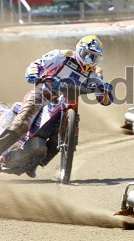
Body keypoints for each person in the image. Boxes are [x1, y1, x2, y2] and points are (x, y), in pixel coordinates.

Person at [0, 36, 113, 171]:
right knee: (23, 122)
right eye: (86, 55)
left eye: (93, 57)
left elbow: (104, 99)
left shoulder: (95, 73)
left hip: (67, 102)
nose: (89, 60)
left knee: (64, 131)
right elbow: (38, 64)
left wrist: (105, 92)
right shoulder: (62, 56)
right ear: (79, 50)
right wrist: (34, 75)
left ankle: (34, 162)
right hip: (44, 92)